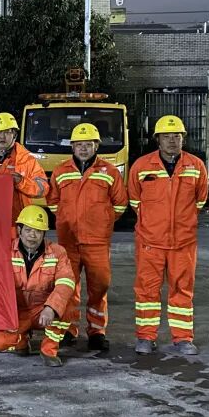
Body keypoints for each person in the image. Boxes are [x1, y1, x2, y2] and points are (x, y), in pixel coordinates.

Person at [127, 115, 209, 356]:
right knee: (146, 291)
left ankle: (183, 338)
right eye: (166, 136)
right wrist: (154, 224)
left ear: (183, 138)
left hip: (183, 242)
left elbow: (200, 200)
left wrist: (181, 224)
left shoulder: (196, 166)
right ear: (157, 140)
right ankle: (145, 337)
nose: (172, 140)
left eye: (177, 136)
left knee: (182, 289)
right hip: (150, 242)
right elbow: (135, 200)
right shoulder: (142, 166)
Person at [47, 123, 128, 353]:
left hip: (97, 242)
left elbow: (120, 204)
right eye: (79, 144)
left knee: (99, 288)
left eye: (88, 144)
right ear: (72, 146)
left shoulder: (110, 172)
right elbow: (53, 202)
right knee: (67, 288)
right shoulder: (61, 171)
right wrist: (66, 218)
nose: (83, 148)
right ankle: (67, 330)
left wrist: (102, 221)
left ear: (96, 146)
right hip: (68, 242)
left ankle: (96, 332)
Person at [0, 206, 77, 367]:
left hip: (43, 308)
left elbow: (66, 282)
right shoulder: (5, 251)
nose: (32, 235)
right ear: (19, 230)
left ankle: (49, 350)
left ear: (44, 233)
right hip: (17, 311)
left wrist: (51, 307)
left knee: (67, 307)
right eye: (28, 230)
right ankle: (22, 341)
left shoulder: (57, 252)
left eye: (38, 231)